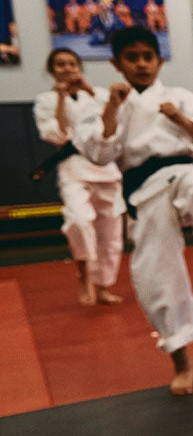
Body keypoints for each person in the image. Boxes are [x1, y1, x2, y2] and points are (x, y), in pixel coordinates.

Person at [74, 27, 193, 396]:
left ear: (159, 60)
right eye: (132, 57)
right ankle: (182, 361)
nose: (142, 64)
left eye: (148, 56)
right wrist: (112, 109)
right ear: (117, 63)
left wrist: (179, 119)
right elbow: (99, 155)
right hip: (143, 193)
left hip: (182, 172)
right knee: (154, 277)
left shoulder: (180, 97)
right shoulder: (105, 103)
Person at [33, 48, 124, 306]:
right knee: (79, 220)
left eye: (72, 64)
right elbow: (58, 134)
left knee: (110, 232)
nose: (68, 69)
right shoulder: (45, 100)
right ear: (51, 70)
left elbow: (115, 119)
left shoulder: (99, 94)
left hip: (106, 168)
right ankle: (84, 276)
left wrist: (89, 91)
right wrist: (61, 98)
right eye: (60, 64)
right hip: (74, 167)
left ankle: (104, 285)